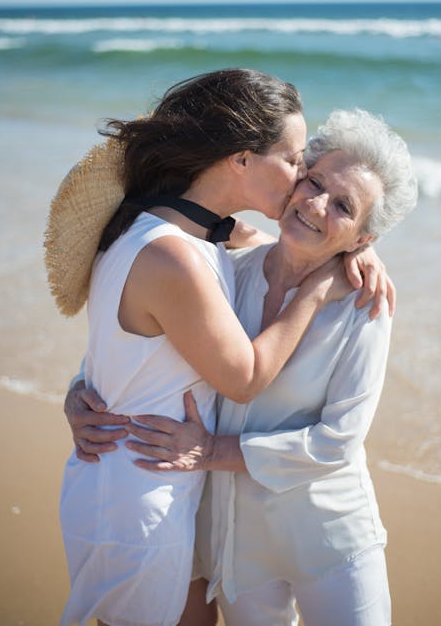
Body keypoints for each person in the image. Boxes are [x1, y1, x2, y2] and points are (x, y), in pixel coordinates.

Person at [49, 70, 392, 626]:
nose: (303, 179)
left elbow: (141, 342)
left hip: (171, 492)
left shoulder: (200, 240)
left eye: (339, 203)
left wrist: (355, 248)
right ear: (240, 160)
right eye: (296, 161)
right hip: (141, 495)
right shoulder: (181, 257)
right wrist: (318, 288)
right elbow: (241, 375)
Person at [121, 109, 418, 626]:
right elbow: (149, 344)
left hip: (328, 533)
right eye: (315, 182)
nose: (316, 205)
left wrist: (213, 450)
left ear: (362, 241)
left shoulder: (363, 305)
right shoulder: (224, 273)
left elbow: (338, 441)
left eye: (344, 207)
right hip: (237, 543)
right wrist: (82, 388)